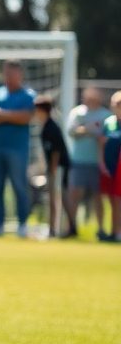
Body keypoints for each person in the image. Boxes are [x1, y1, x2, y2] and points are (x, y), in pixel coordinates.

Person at [0, 60, 37, 238]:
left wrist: (2, 114)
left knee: (19, 187)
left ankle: (22, 225)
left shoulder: (28, 95)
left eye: (11, 74)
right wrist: (11, 116)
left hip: (17, 150)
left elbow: (25, 117)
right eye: (6, 73)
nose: (8, 77)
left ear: (19, 75)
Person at [64, 87, 111, 240]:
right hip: (78, 161)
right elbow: (71, 131)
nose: (88, 99)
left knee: (98, 196)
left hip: (98, 163)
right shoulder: (77, 113)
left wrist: (94, 133)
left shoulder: (106, 116)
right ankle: (71, 227)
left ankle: (101, 230)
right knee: (74, 195)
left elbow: (108, 136)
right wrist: (85, 130)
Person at [35, 96, 70, 238]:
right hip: (53, 167)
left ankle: (58, 228)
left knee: (57, 198)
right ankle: (53, 228)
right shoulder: (44, 125)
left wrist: (53, 169)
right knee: (53, 198)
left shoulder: (52, 126)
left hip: (59, 167)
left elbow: (56, 150)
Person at [100, 93, 121, 242]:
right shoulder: (108, 123)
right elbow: (102, 145)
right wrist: (102, 164)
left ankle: (118, 232)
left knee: (118, 200)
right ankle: (114, 231)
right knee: (112, 200)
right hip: (109, 166)